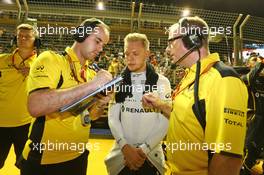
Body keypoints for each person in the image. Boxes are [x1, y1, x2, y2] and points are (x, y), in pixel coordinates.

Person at [142, 16, 248, 175]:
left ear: (193, 40)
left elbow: (227, 156)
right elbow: (191, 117)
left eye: (171, 41)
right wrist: (160, 105)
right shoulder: (191, 76)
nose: (167, 49)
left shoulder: (224, 80)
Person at [18, 18, 113, 175]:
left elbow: (90, 117)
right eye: (97, 41)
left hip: (78, 156)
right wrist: (92, 86)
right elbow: (35, 105)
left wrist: (101, 103)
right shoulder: (51, 59)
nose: (100, 48)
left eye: (103, 45)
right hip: (45, 160)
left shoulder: (90, 73)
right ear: (82, 34)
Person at [105, 33, 171, 175]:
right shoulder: (118, 82)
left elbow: (165, 120)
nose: (130, 58)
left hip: (151, 157)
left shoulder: (162, 82)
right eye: (127, 53)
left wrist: (142, 151)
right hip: (122, 156)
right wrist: (125, 147)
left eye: (135, 53)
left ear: (147, 54)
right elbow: (113, 117)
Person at [0, 23, 39, 169]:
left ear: (36, 41)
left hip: (27, 124)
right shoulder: (2, 60)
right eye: (19, 36)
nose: (22, 39)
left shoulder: (41, 64)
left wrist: (33, 72)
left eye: (27, 37)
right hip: (0, 122)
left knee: (27, 166)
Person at [241, 57, 264, 175]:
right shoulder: (247, 79)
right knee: (249, 156)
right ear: (249, 65)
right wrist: (260, 64)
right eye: (254, 59)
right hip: (257, 121)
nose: (258, 60)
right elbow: (250, 78)